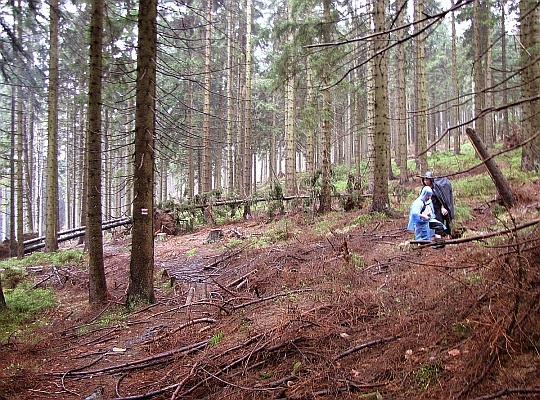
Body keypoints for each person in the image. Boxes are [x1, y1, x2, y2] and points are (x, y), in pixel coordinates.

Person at [420, 171, 454, 237]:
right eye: (424, 180)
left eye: (427, 180)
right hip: (429, 209)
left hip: (437, 208)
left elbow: (441, 199)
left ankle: (440, 240)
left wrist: (443, 207)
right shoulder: (424, 189)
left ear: (431, 179)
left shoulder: (436, 188)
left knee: (439, 223)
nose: (426, 181)